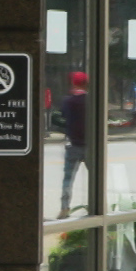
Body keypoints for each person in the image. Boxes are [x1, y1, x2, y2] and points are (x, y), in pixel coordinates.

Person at [58, 69, 88, 219]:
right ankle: (96, 206)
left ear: (73, 82)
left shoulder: (67, 101)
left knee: (68, 179)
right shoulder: (91, 100)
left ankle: (64, 208)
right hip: (91, 146)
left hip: (73, 145)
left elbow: (62, 117)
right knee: (95, 178)